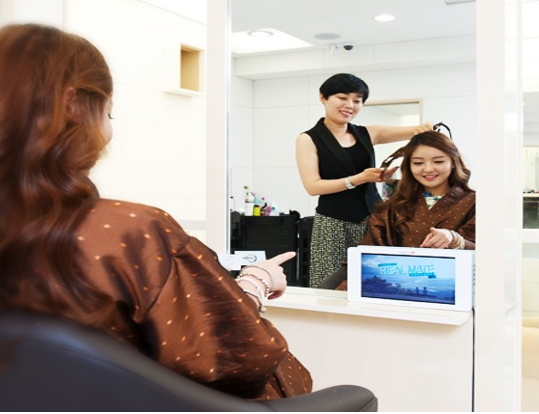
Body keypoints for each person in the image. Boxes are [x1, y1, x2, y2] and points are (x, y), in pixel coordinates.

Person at [0, 23, 311, 400]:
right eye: (109, 115)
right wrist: (255, 283)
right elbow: (238, 360)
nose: (108, 132)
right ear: (74, 106)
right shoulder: (128, 233)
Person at [295, 73, 433, 287]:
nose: (349, 105)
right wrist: (360, 178)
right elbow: (313, 186)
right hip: (332, 223)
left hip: (372, 218)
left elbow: (415, 131)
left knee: (374, 281)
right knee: (327, 286)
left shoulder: (368, 133)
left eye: (357, 100)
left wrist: (426, 128)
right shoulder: (308, 139)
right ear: (323, 97)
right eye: (342, 98)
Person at [319, 130, 475, 290]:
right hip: (394, 287)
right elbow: (369, 252)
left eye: (438, 161)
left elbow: (486, 254)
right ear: (409, 166)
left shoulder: (476, 203)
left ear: (453, 162)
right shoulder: (391, 207)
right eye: (418, 163)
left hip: (452, 288)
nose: (428, 169)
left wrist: (455, 240)